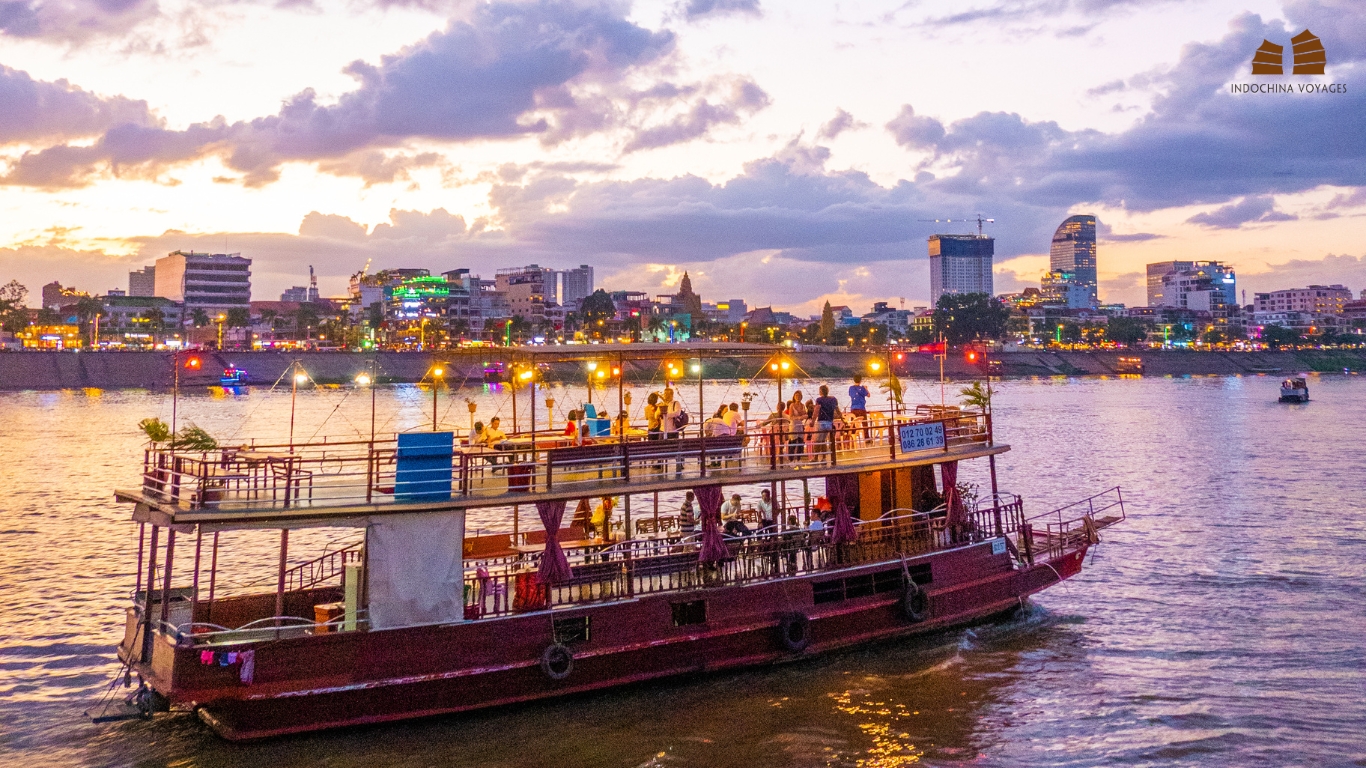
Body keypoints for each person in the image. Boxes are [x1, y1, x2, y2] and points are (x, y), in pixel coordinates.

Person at [812, 384, 841, 455]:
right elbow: (838, 410)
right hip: (829, 422)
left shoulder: (819, 400)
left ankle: (816, 457)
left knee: (817, 441)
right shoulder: (833, 399)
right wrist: (842, 419)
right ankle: (824, 457)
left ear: (821, 391)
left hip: (821, 422)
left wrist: (813, 421)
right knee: (824, 440)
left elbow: (816, 411)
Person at [786, 392, 808, 460]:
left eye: (799, 396)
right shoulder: (792, 405)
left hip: (800, 424)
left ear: (801, 397)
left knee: (801, 442)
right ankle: (791, 459)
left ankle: (799, 458)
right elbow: (791, 417)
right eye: (796, 395)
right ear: (794, 397)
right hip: (794, 424)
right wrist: (798, 417)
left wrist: (804, 416)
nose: (798, 397)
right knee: (793, 442)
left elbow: (805, 414)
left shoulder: (803, 405)